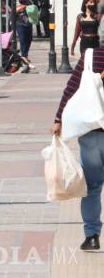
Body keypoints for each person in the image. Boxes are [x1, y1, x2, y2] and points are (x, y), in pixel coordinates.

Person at [51, 46, 104, 251]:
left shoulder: (91, 56)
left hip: (91, 132)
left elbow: (71, 88)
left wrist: (58, 119)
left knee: (92, 187)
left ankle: (92, 236)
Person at [15, 0, 35, 72]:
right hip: (20, 25)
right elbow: (13, 14)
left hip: (28, 25)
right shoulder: (17, 5)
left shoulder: (29, 3)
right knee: (23, 41)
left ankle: (25, 58)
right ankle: (24, 58)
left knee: (29, 40)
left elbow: (33, 12)